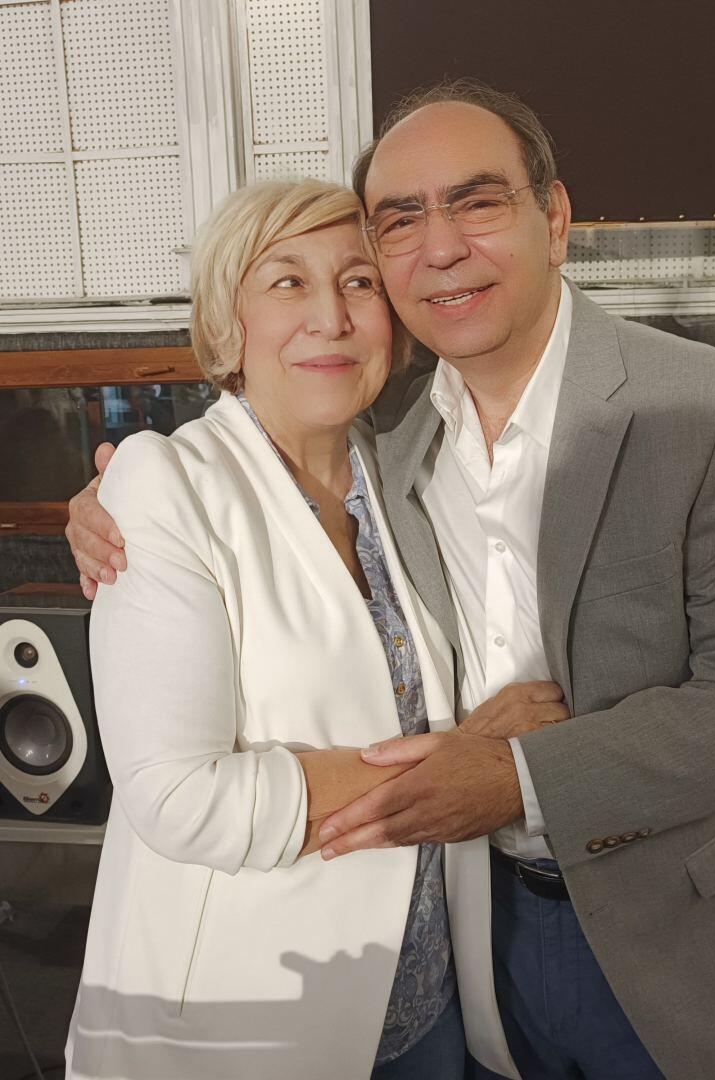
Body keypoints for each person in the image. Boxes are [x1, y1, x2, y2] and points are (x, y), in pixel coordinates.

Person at [67, 81, 715, 1080]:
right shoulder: (391, 434)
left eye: (476, 203)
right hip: (471, 953)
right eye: (400, 221)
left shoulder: (704, 408)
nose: (439, 249)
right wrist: (122, 490)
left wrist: (513, 776)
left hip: (676, 945)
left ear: (552, 219)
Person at [64, 177, 564, 1080]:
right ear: (229, 324)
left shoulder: (406, 472)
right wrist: (467, 759)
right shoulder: (166, 485)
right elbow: (180, 799)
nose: (330, 317)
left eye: (360, 282)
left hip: (426, 1007)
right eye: (287, 282)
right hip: (250, 1026)